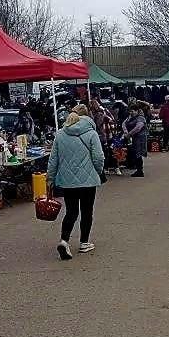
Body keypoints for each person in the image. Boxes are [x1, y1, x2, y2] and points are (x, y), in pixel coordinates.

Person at [47, 104, 104, 260]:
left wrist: (50, 179)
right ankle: (84, 242)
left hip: (67, 181)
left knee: (71, 212)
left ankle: (64, 241)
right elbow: (99, 157)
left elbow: (53, 160)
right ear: (87, 117)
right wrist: (97, 172)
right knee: (87, 211)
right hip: (88, 181)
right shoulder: (92, 134)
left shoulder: (60, 134)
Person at [122, 102, 148, 177]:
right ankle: (138, 169)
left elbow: (138, 128)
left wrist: (129, 134)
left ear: (137, 111)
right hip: (134, 138)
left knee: (138, 153)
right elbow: (124, 124)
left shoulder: (141, 118)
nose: (131, 113)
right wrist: (126, 132)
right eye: (130, 111)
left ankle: (140, 171)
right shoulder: (130, 117)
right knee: (135, 153)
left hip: (140, 138)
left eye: (132, 111)